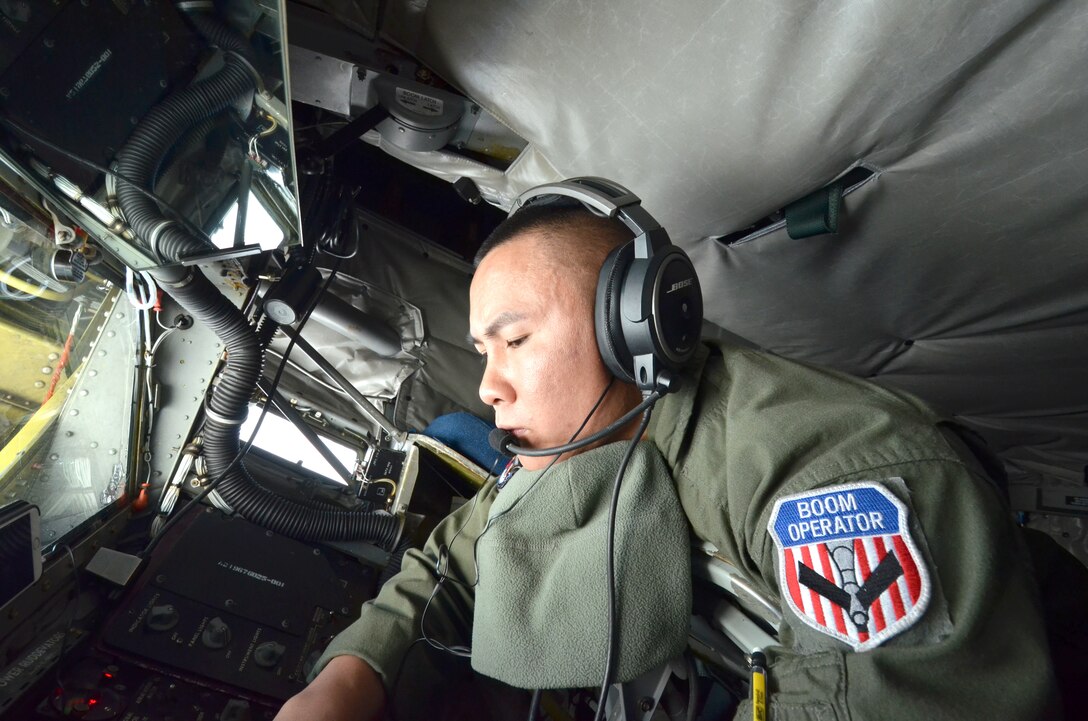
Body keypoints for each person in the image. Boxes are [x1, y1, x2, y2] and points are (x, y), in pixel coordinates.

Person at [275, 199, 1060, 720]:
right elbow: (455, 555)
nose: (488, 386)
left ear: (635, 328)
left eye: (515, 341)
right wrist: (350, 676)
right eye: (485, 351)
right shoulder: (595, 442)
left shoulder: (824, 474)